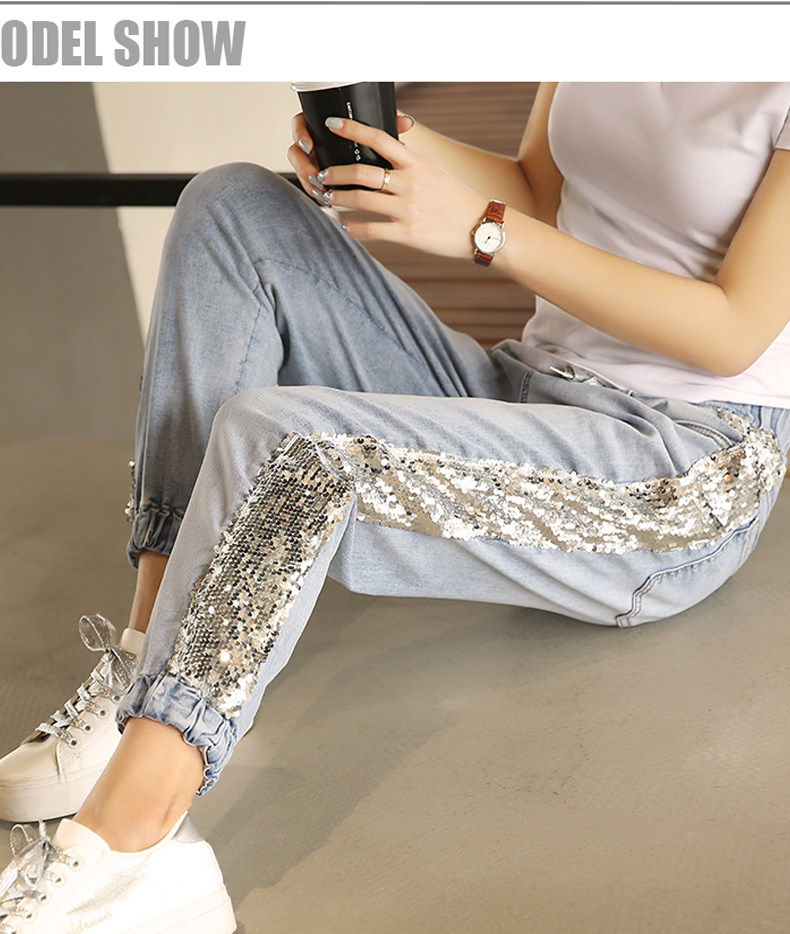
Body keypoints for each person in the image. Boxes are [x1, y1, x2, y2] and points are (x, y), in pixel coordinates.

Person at [1, 82, 789, 933]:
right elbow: (540, 188)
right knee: (229, 208)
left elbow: (734, 328)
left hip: (679, 463)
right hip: (529, 385)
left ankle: (141, 842)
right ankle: (147, 664)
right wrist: (382, 140)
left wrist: (482, 230)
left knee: (293, 444)